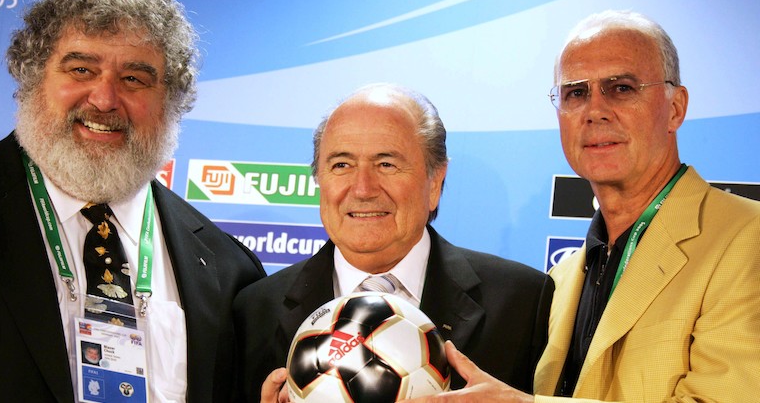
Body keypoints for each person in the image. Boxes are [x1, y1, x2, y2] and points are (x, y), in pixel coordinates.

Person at [406, 10, 760, 403]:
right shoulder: (560, 279)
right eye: (576, 93)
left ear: (675, 108)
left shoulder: (748, 239)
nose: (595, 111)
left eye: (621, 88)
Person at [0, 0, 265, 401]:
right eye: (81, 70)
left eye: (133, 79)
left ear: (170, 102)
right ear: (32, 76)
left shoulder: (229, 270)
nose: (104, 100)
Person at [236, 83, 554, 402]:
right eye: (341, 165)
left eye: (386, 164)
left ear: (435, 181)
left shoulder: (523, 301)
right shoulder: (253, 311)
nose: (363, 189)